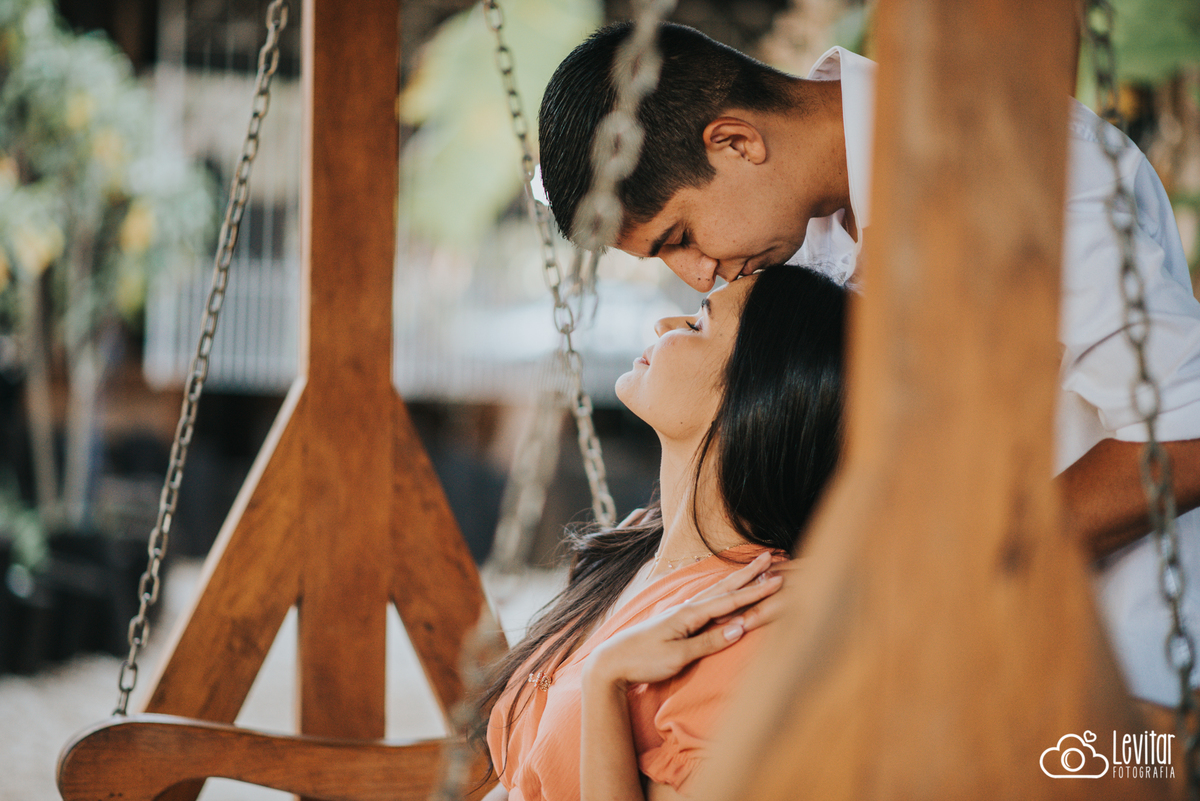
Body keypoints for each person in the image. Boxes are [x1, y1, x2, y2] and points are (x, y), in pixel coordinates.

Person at [537, 20, 1200, 708]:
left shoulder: (1023, 161)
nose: (697, 274)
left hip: (1110, 685)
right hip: (915, 680)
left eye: (680, 236)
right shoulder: (785, 235)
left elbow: (1187, 434)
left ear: (735, 141)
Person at [476, 265, 847, 800]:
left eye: (698, 324)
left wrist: (607, 683)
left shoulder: (748, 625)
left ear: (752, 394)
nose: (664, 324)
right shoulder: (637, 549)